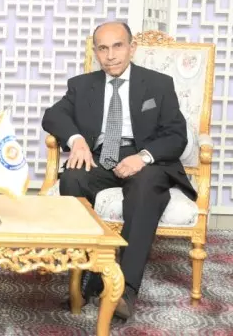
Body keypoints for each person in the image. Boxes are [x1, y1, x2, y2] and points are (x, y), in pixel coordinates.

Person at [41, 21, 194, 320]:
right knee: (73, 176)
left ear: (132, 48)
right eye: (103, 48)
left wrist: (143, 157)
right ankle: (84, 277)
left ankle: (124, 289)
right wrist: (77, 140)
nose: (110, 55)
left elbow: (176, 136)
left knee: (145, 188)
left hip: (144, 160)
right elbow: (53, 115)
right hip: (100, 157)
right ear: (95, 52)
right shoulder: (82, 85)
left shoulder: (158, 84)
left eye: (117, 46)